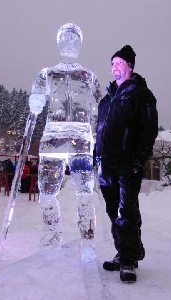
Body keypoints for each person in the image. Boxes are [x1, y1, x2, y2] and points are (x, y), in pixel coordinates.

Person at [28, 23, 101, 260]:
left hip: (81, 140)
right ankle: (52, 232)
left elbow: (102, 108)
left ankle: (87, 237)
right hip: (52, 141)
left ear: (80, 44)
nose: (70, 43)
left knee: (85, 191)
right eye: (65, 39)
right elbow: (36, 98)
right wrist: (35, 102)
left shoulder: (90, 77)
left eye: (74, 39)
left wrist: (101, 135)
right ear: (58, 42)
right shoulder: (47, 74)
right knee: (47, 191)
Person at [94, 45, 158, 283]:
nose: (114, 68)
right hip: (105, 163)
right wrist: (95, 155)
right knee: (113, 211)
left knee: (126, 211)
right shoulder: (107, 98)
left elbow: (148, 131)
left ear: (130, 66)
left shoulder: (142, 96)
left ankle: (130, 260)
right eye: (112, 64)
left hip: (126, 164)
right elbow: (100, 130)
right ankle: (124, 252)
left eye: (119, 63)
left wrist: (138, 160)